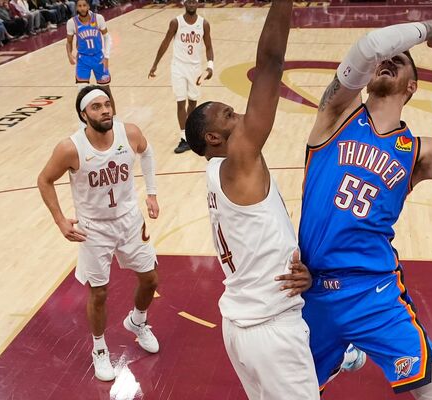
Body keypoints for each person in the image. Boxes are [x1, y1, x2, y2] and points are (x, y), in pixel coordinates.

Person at [297, 4, 432, 398]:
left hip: (372, 289)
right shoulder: (335, 114)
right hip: (311, 289)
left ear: (412, 87)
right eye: (387, 58)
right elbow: (367, 48)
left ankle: (356, 348)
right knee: (289, 391)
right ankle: (348, 353)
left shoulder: (415, 152)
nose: (389, 60)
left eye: (401, 61)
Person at [184, 2, 319, 398]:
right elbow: (271, 62)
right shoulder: (238, 163)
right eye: (229, 115)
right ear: (213, 138)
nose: (240, 115)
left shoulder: (214, 172)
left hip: (243, 325)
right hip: (271, 331)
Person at [36, 86, 160, 382]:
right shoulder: (70, 148)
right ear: (83, 114)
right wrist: (59, 219)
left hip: (130, 220)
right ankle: (100, 348)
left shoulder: (128, 133)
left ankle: (137, 321)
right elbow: (44, 179)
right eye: (96, 107)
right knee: (99, 292)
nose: (105, 110)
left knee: (151, 278)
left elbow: (147, 151)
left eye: (107, 104)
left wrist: (152, 193)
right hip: (94, 229)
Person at [149, 0, 214, 154]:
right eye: (189, 2)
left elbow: (209, 46)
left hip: (195, 68)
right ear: (184, 3)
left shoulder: (204, 24)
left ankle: (191, 135)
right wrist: (155, 64)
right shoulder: (176, 22)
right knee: (180, 102)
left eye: (194, 2)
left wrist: (210, 66)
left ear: (197, 4)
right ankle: (184, 137)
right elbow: (165, 43)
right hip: (178, 67)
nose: (191, 5)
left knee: (193, 102)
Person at [66, 0, 115, 111]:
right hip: (83, 59)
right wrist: (69, 55)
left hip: (99, 58)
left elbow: (107, 37)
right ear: (76, 8)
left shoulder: (98, 18)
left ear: (88, 6)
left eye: (84, 5)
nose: (82, 8)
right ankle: (83, 122)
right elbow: (69, 42)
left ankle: (114, 118)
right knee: (81, 92)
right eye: (79, 6)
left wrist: (106, 57)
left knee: (106, 90)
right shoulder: (71, 22)